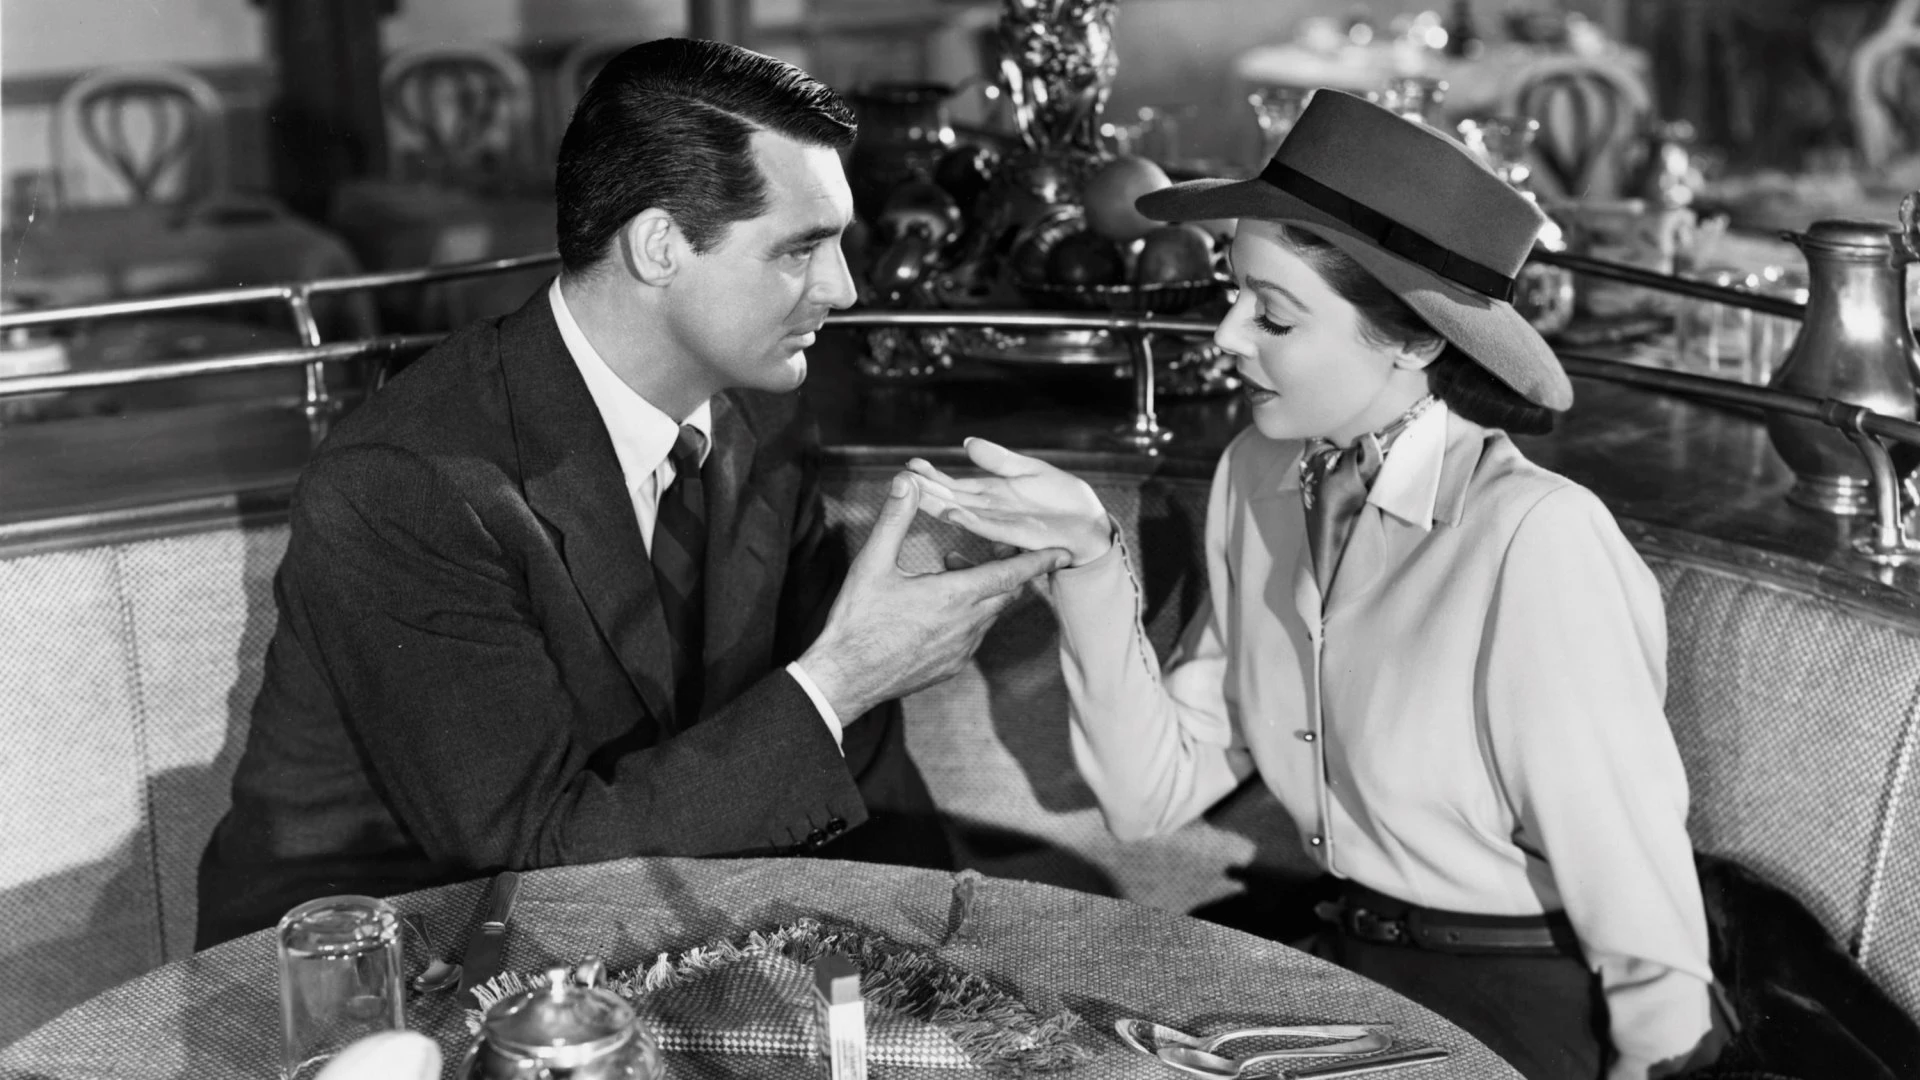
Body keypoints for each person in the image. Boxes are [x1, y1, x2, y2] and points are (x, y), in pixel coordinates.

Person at [906, 91, 1725, 1079]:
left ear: (1415, 341)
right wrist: (1086, 561)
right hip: (1343, 971)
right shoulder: (1258, 474)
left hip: (1518, 1002)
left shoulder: (1535, 538)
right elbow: (1146, 795)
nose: (1227, 336)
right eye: (1234, 294)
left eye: (1275, 314)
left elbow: (1638, 900)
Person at [195, 38, 1069, 947]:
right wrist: (842, 679)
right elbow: (532, 858)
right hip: (379, 959)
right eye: (800, 249)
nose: (843, 289)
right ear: (658, 247)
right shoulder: (406, 483)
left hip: (657, 933)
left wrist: (941, 955)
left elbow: (857, 761)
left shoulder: (759, 410)